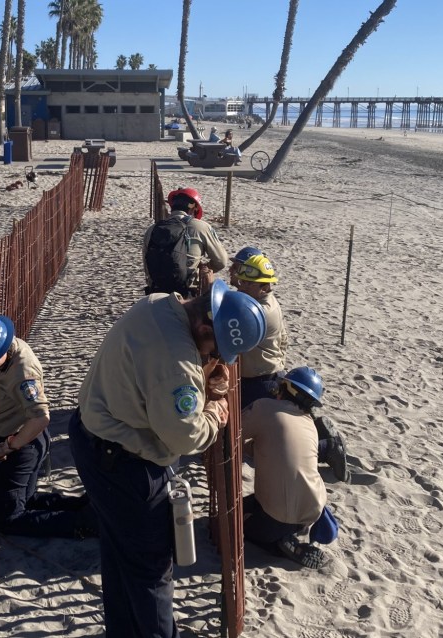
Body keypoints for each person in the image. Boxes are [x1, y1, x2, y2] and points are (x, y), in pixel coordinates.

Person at [70, 279, 266, 638]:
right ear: (205, 326)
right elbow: (185, 435)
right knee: (151, 571)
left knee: (119, 555)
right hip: (126, 465)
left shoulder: (160, 302)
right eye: (216, 349)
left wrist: (203, 368)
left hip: (93, 438)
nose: (216, 358)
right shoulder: (176, 363)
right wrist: (215, 410)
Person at [0, 314, 97, 539]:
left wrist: (8, 447)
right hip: (23, 439)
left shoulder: (23, 373)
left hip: (22, 443)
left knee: (8, 519)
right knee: (28, 498)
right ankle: (83, 507)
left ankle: (82, 523)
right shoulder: (8, 351)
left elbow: (40, 417)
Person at [241, 367, 347, 569]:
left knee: (243, 527)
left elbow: (234, 430)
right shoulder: (309, 424)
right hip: (312, 510)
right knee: (250, 506)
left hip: (278, 514)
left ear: (286, 388)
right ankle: (290, 533)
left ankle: (282, 545)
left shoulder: (265, 407)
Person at [142, 188, 230, 297]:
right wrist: (202, 267)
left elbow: (146, 265)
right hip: (187, 295)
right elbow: (221, 261)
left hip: (156, 293)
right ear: (194, 209)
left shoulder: (152, 229)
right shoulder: (201, 227)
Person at [232, 253, 288, 408]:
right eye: (242, 281)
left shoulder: (261, 311)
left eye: (249, 284)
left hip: (260, 381)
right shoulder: (265, 300)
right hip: (265, 374)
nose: (242, 286)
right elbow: (284, 338)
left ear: (265, 286)